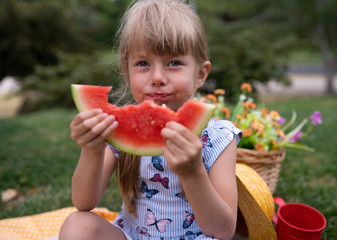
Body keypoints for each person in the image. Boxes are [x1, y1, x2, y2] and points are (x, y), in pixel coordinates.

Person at [59, 0, 241, 239]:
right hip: (132, 236)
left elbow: (224, 230)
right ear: (128, 70)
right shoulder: (114, 129)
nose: (157, 77)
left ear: (200, 74)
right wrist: (91, 149)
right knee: (77, 223)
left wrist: (193, 172)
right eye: (142, 63)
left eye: (174, 63)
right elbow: (83, 202)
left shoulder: (219, 137)